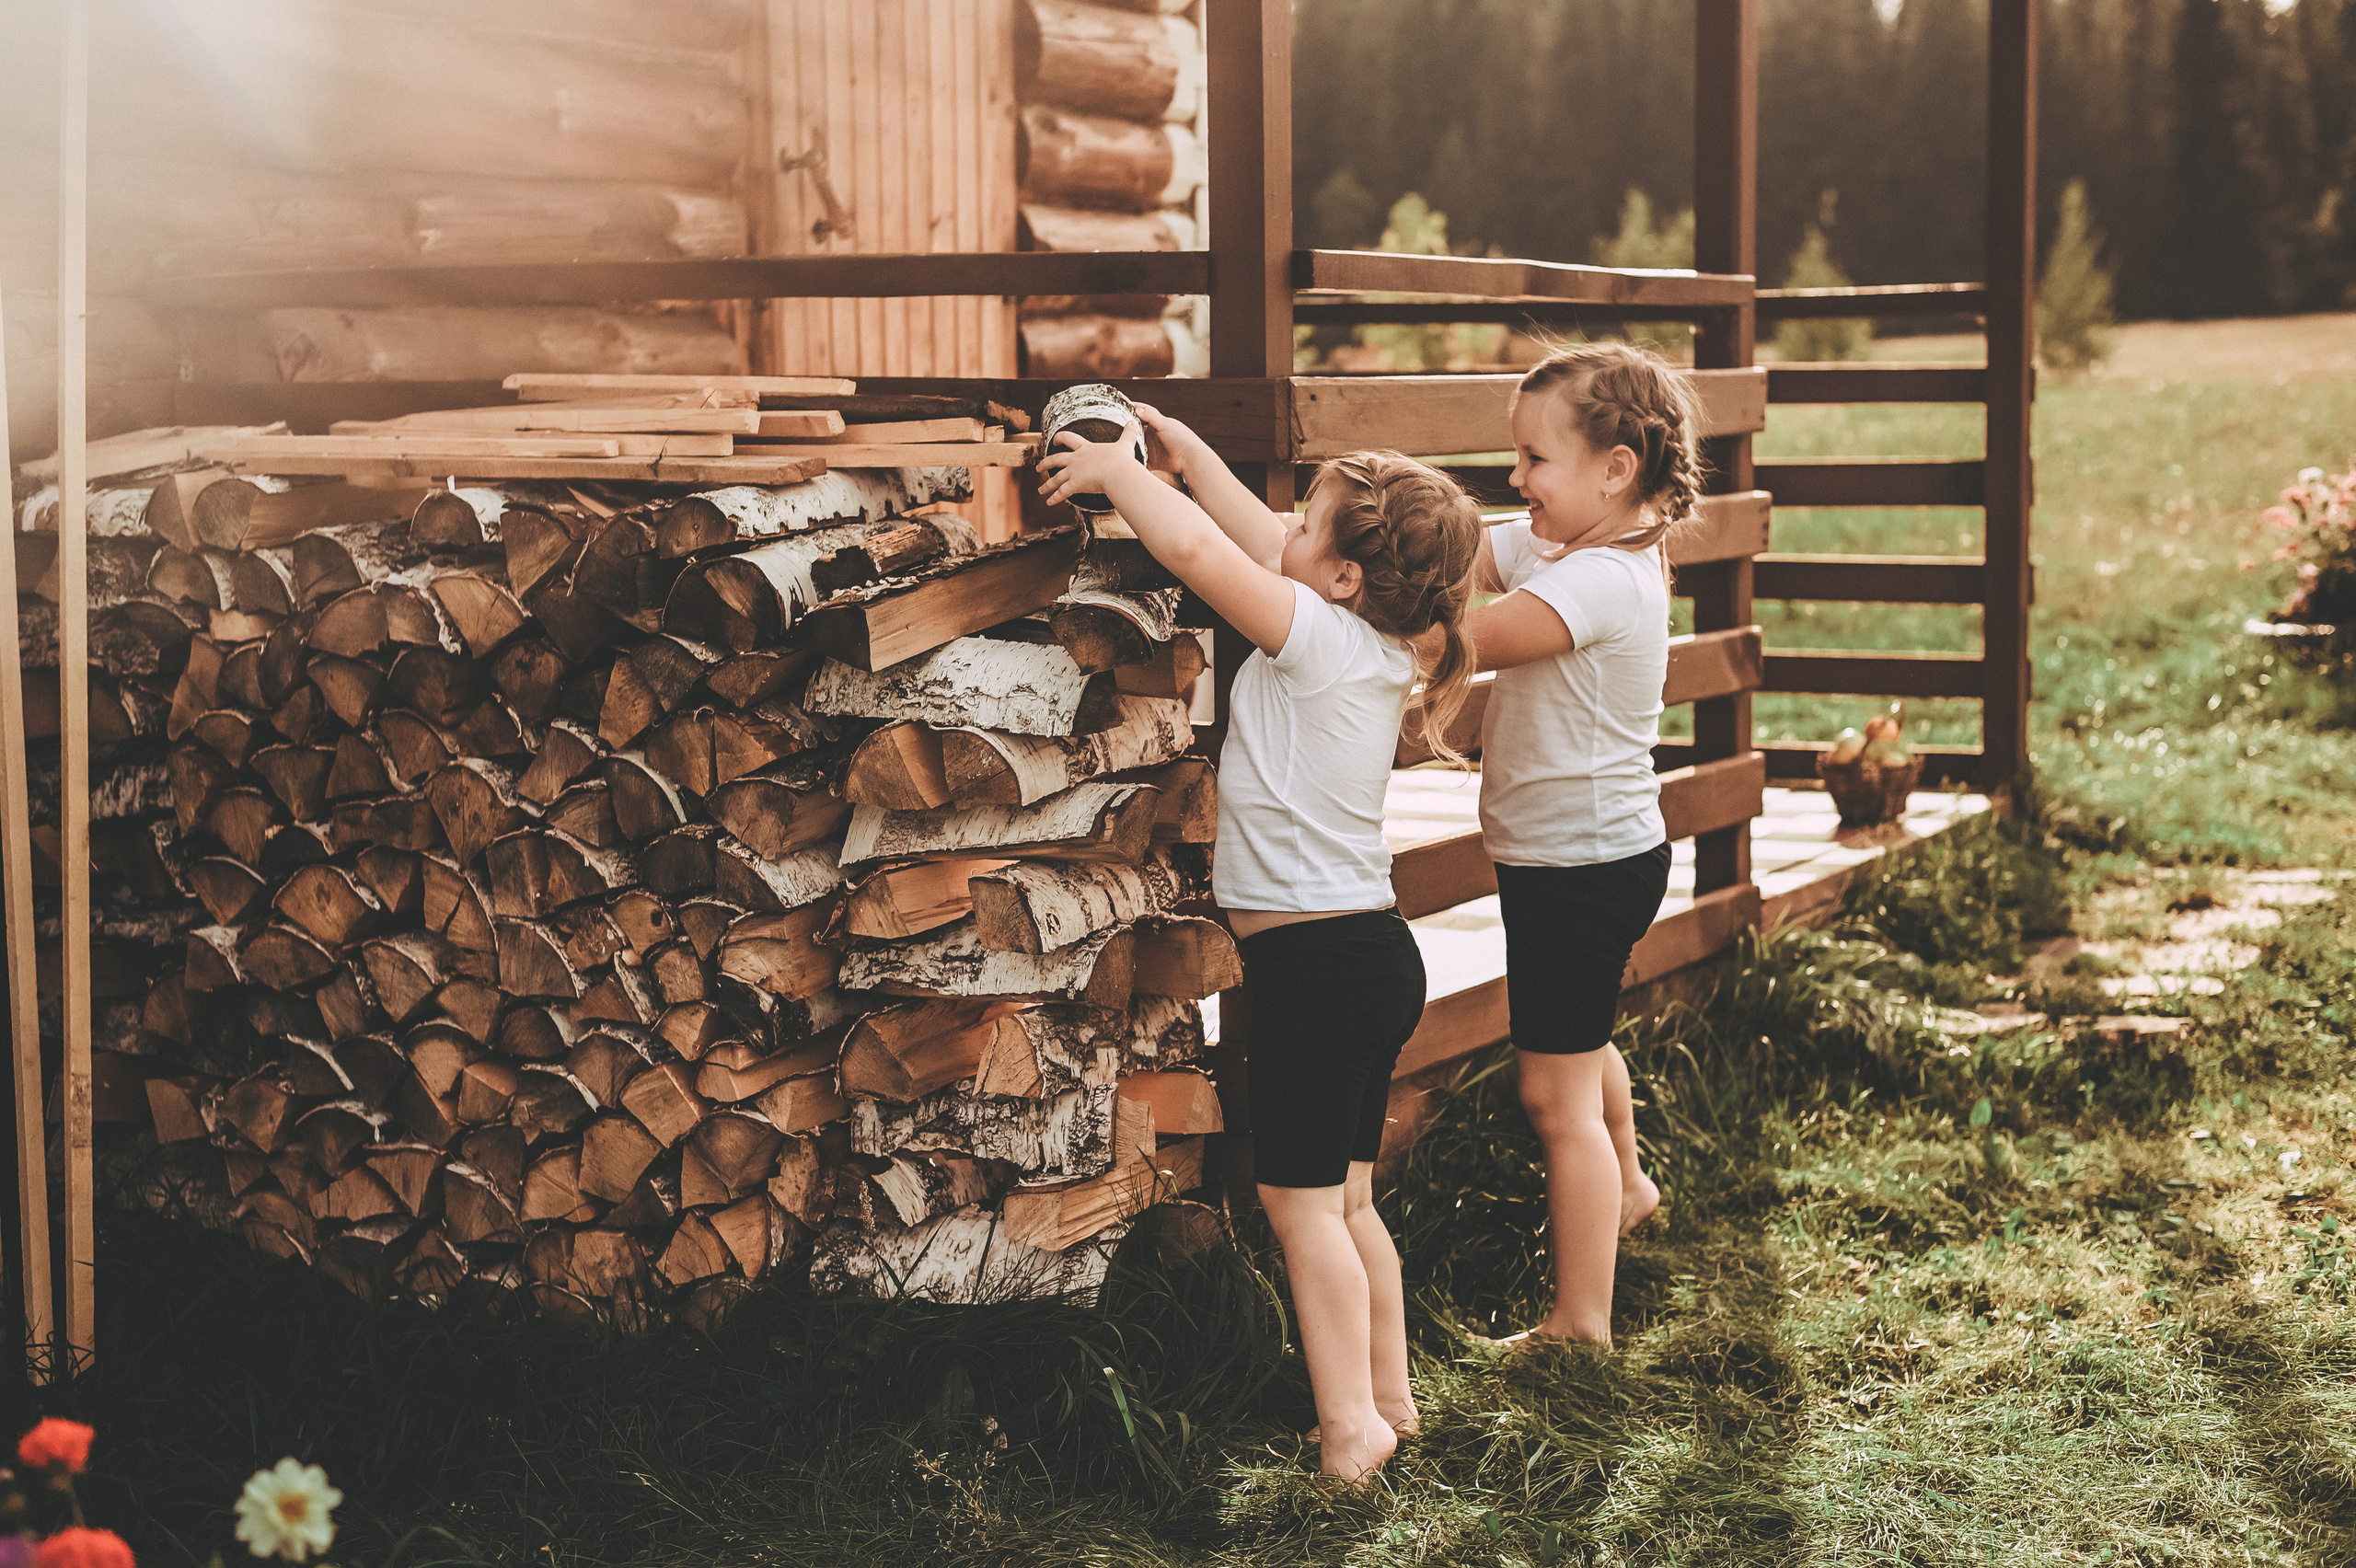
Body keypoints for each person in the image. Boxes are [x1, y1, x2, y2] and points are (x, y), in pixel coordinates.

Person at [1039, 418, 1481, 1482]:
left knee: (1295, 1206)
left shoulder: (1315, 636)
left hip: (1315, 971)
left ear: (1340, 574)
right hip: (1369, 958)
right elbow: (1260, 540)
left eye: (1307, 522)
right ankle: (1388, 1398)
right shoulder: (1362, 637)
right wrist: (1193, 460)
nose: (1282, 526)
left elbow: (1202, 556)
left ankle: (1348, 1431)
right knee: (1347, 1201)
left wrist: (1119, 476)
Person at [1466, 341, 1699, 1346]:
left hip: (1582, 869)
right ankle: (1632, 1186)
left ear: (1615, 470)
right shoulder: (1567, 549)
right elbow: (1456, 556)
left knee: (1550, 1091)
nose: (1514, 481)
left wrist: (1334, 606)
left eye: (1533, 460)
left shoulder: (1599, 582)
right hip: (1574, 858)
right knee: (1581, 1036)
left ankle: (1580, 1325)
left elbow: (1463, 640)